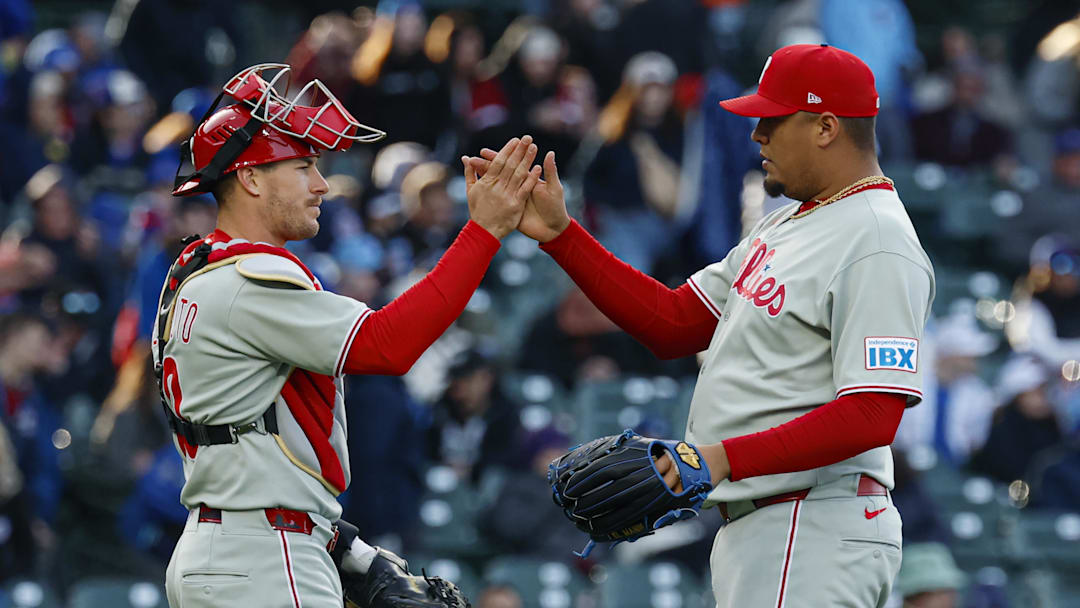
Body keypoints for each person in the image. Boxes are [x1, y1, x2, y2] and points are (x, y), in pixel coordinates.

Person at [470, 43, 935, 607]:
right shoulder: (790, 223)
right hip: (766, 525)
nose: (757, 134)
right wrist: (562, 238)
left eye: (773, 118)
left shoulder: (876, 237)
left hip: (811, 522)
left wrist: (719, 459)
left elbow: (872, 414)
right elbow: (675, 323)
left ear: (826, 127)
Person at [157, 64, 538, 608]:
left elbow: (265, 448)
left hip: (230, 545)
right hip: (264, 555)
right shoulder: (252, 275)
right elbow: (387, 345)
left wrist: (344, 548)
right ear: (251, 178)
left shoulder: (196, 271)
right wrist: (483, 233)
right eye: (304, 165)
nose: (321, 185)